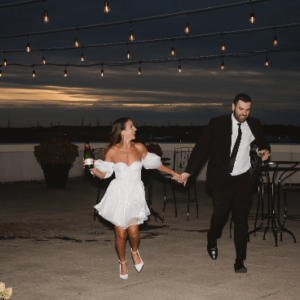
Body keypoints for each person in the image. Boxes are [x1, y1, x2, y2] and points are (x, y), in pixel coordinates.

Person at [177, 93, 270, 273]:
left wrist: (265, 150)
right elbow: (201, 147)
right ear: (233, 106)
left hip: (243, 178)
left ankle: (239, 261)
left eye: (247, 110)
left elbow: (263, 142)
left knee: (241, 220)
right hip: (222, 178)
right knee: (220, 216)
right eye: (241, 109)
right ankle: (212, 238)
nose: (244, 113)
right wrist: (189, 171)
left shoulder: (254, 124)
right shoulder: (218, 123)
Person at [89, 117, 180, 280]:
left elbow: (155, 164)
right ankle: (122, 262)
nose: (135, 129)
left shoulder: (139, 147)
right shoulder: (112, 151)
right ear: (122, 131)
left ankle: (134, 251)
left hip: (135, 193)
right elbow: (103, 175)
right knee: (120, 234)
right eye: (131, 126)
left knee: (134, 232)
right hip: (118, 193)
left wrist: (173, 173)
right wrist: (92, 168)